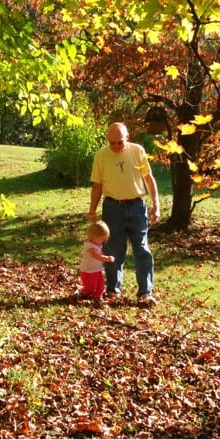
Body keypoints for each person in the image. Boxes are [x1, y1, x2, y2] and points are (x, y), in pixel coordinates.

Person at [87, 122, 160, 307]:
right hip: (113, 208)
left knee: (142, 249)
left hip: (137, 206)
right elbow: (97, 186)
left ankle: (145, 293)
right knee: (113, 250)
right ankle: (113, 290)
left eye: (119, 142)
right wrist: (92, 209)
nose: (116, 147)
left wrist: (156, 205)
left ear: (127, 137)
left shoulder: (137, 151)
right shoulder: (101, 156)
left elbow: (149, 179)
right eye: (112, 143)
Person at [79, 220, 115, 304]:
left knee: (100, 284)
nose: (102, 241)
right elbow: (96, 256)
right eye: (101, 239)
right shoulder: (89, 245)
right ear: (93, 236)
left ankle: (98, 297)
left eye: (104, 239)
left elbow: (100, 252)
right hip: (87, 270)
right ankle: (83, 293)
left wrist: (103, 255)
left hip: (96, 269)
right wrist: (107, 258)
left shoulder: (98, 244)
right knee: (91, 286)